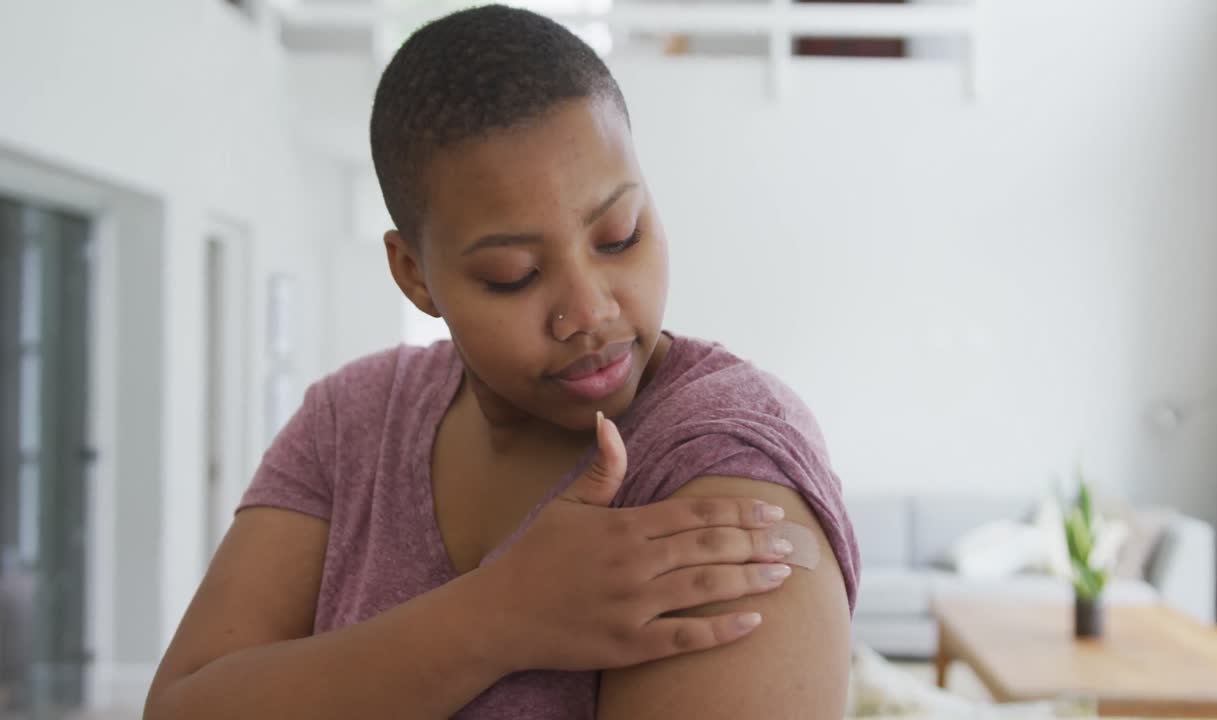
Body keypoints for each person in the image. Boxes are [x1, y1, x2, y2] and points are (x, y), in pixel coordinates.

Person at [144, 5, 859, 718]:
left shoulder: (723, 457)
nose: (590, 312)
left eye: (619, 236)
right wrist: (498, 616)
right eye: (513, 274)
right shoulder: (351, 420)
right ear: (415, 275)